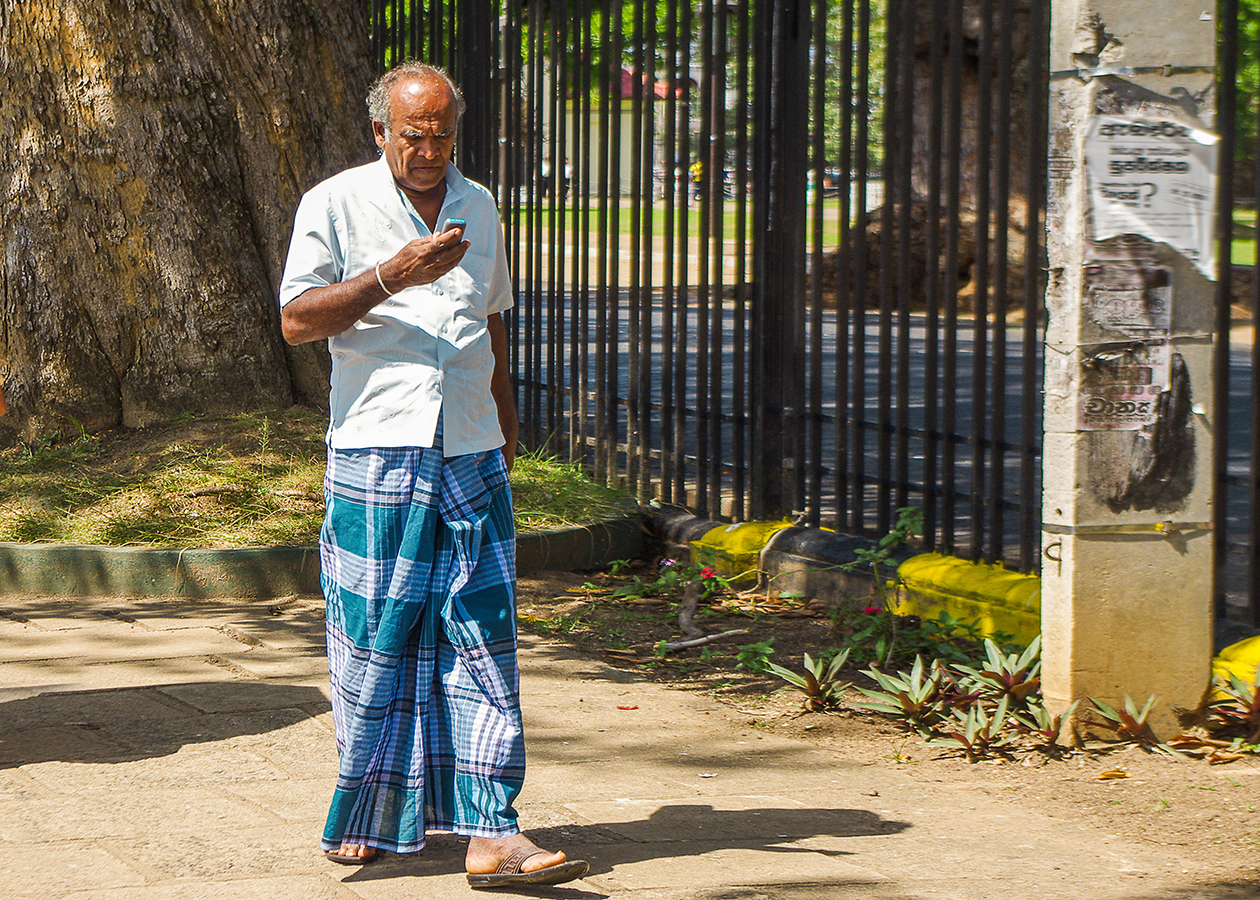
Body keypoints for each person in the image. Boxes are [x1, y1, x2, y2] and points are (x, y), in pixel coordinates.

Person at [278, 62, 587, 889]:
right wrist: (391, 276)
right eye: (413, 135)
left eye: (442, 134)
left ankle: (493, 829)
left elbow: (489, 321)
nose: (429, 151)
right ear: (380, 131)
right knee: (376, 636)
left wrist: (506, 426)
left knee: (482, 635)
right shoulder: (335, 203)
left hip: (470, 449)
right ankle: (373, 816)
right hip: (378, 447)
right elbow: (297, 320)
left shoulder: (477, 204)